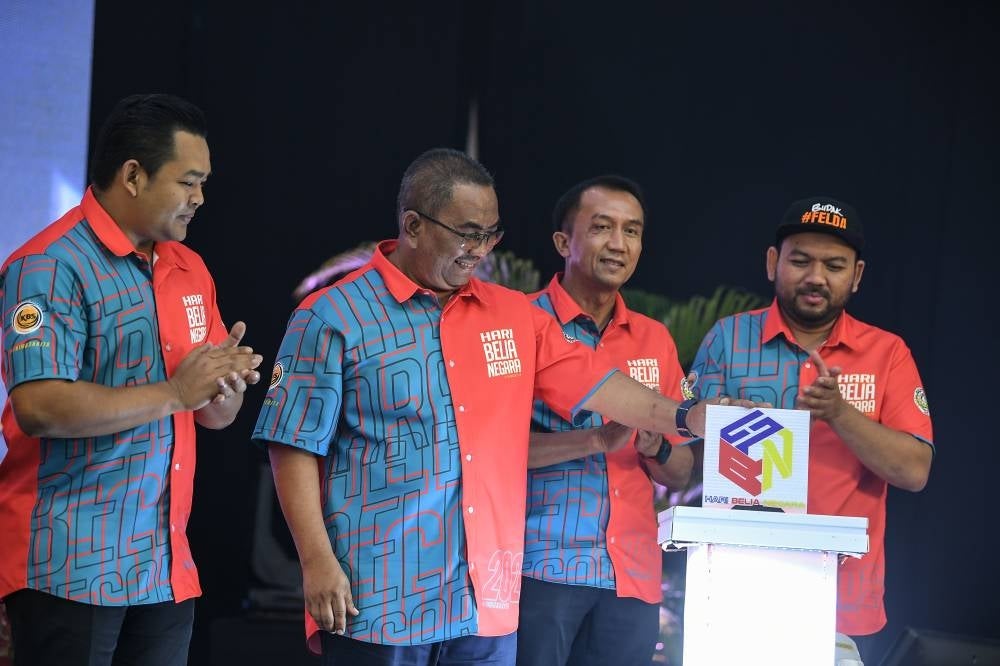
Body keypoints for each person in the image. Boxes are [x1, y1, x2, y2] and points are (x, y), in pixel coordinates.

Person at [251, 148, 757, 666]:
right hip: (377, 594)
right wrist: (315, 561)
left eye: (491, 235)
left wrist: (683, 416)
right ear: (413, 225)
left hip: (484, 601)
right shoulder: (333, 315)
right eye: (468, 233)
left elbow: (598, 383)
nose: (479, 250)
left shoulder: (513, 315)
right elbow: (292, 444)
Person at [0, 93, 263, 666]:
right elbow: (39, 406)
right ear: (134, 175)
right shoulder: (49, 265)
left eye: (204, 182)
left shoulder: (189, 267)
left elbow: (211, 416)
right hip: (67, 565)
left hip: (164, 566)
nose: (201, 198)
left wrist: (224, 388)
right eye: (189, 181)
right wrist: (174, 391)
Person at [687, 196, 934, 662]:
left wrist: (840, 413)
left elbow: (915, 471)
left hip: (837, 603)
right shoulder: (727, 338)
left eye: (834, 265)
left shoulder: (888, 353)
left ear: (856, 276)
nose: (816, 276)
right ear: (772, 263)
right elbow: (683, 465)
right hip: (733, 597)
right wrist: (703, 424)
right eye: (800, 260)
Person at [515, 175, 694, 666]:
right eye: (601, 228)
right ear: (563, 242)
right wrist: (592, 439)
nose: (619, 244)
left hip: (632, 574)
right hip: (540, 567)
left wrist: (656, 446)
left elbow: (679, 471)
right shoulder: (520, 324)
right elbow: (488, 450)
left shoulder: (654, 339)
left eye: (632, 231)